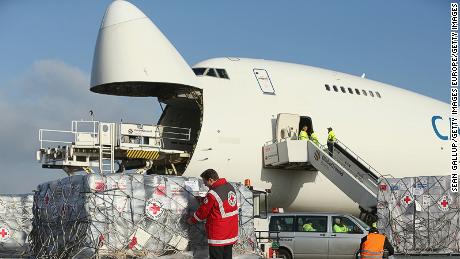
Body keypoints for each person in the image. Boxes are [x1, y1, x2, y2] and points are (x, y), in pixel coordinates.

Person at [187, 169, 238, 259]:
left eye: (205, 182)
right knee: (227, 256)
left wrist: (191, 220)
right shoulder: (229, 186)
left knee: (216, 256)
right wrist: (204, 199)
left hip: (218, 234)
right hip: (231, 231)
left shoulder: (212, 194)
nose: (205, 185)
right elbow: (220, 202)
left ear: (210, 180)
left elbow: (202, 214)